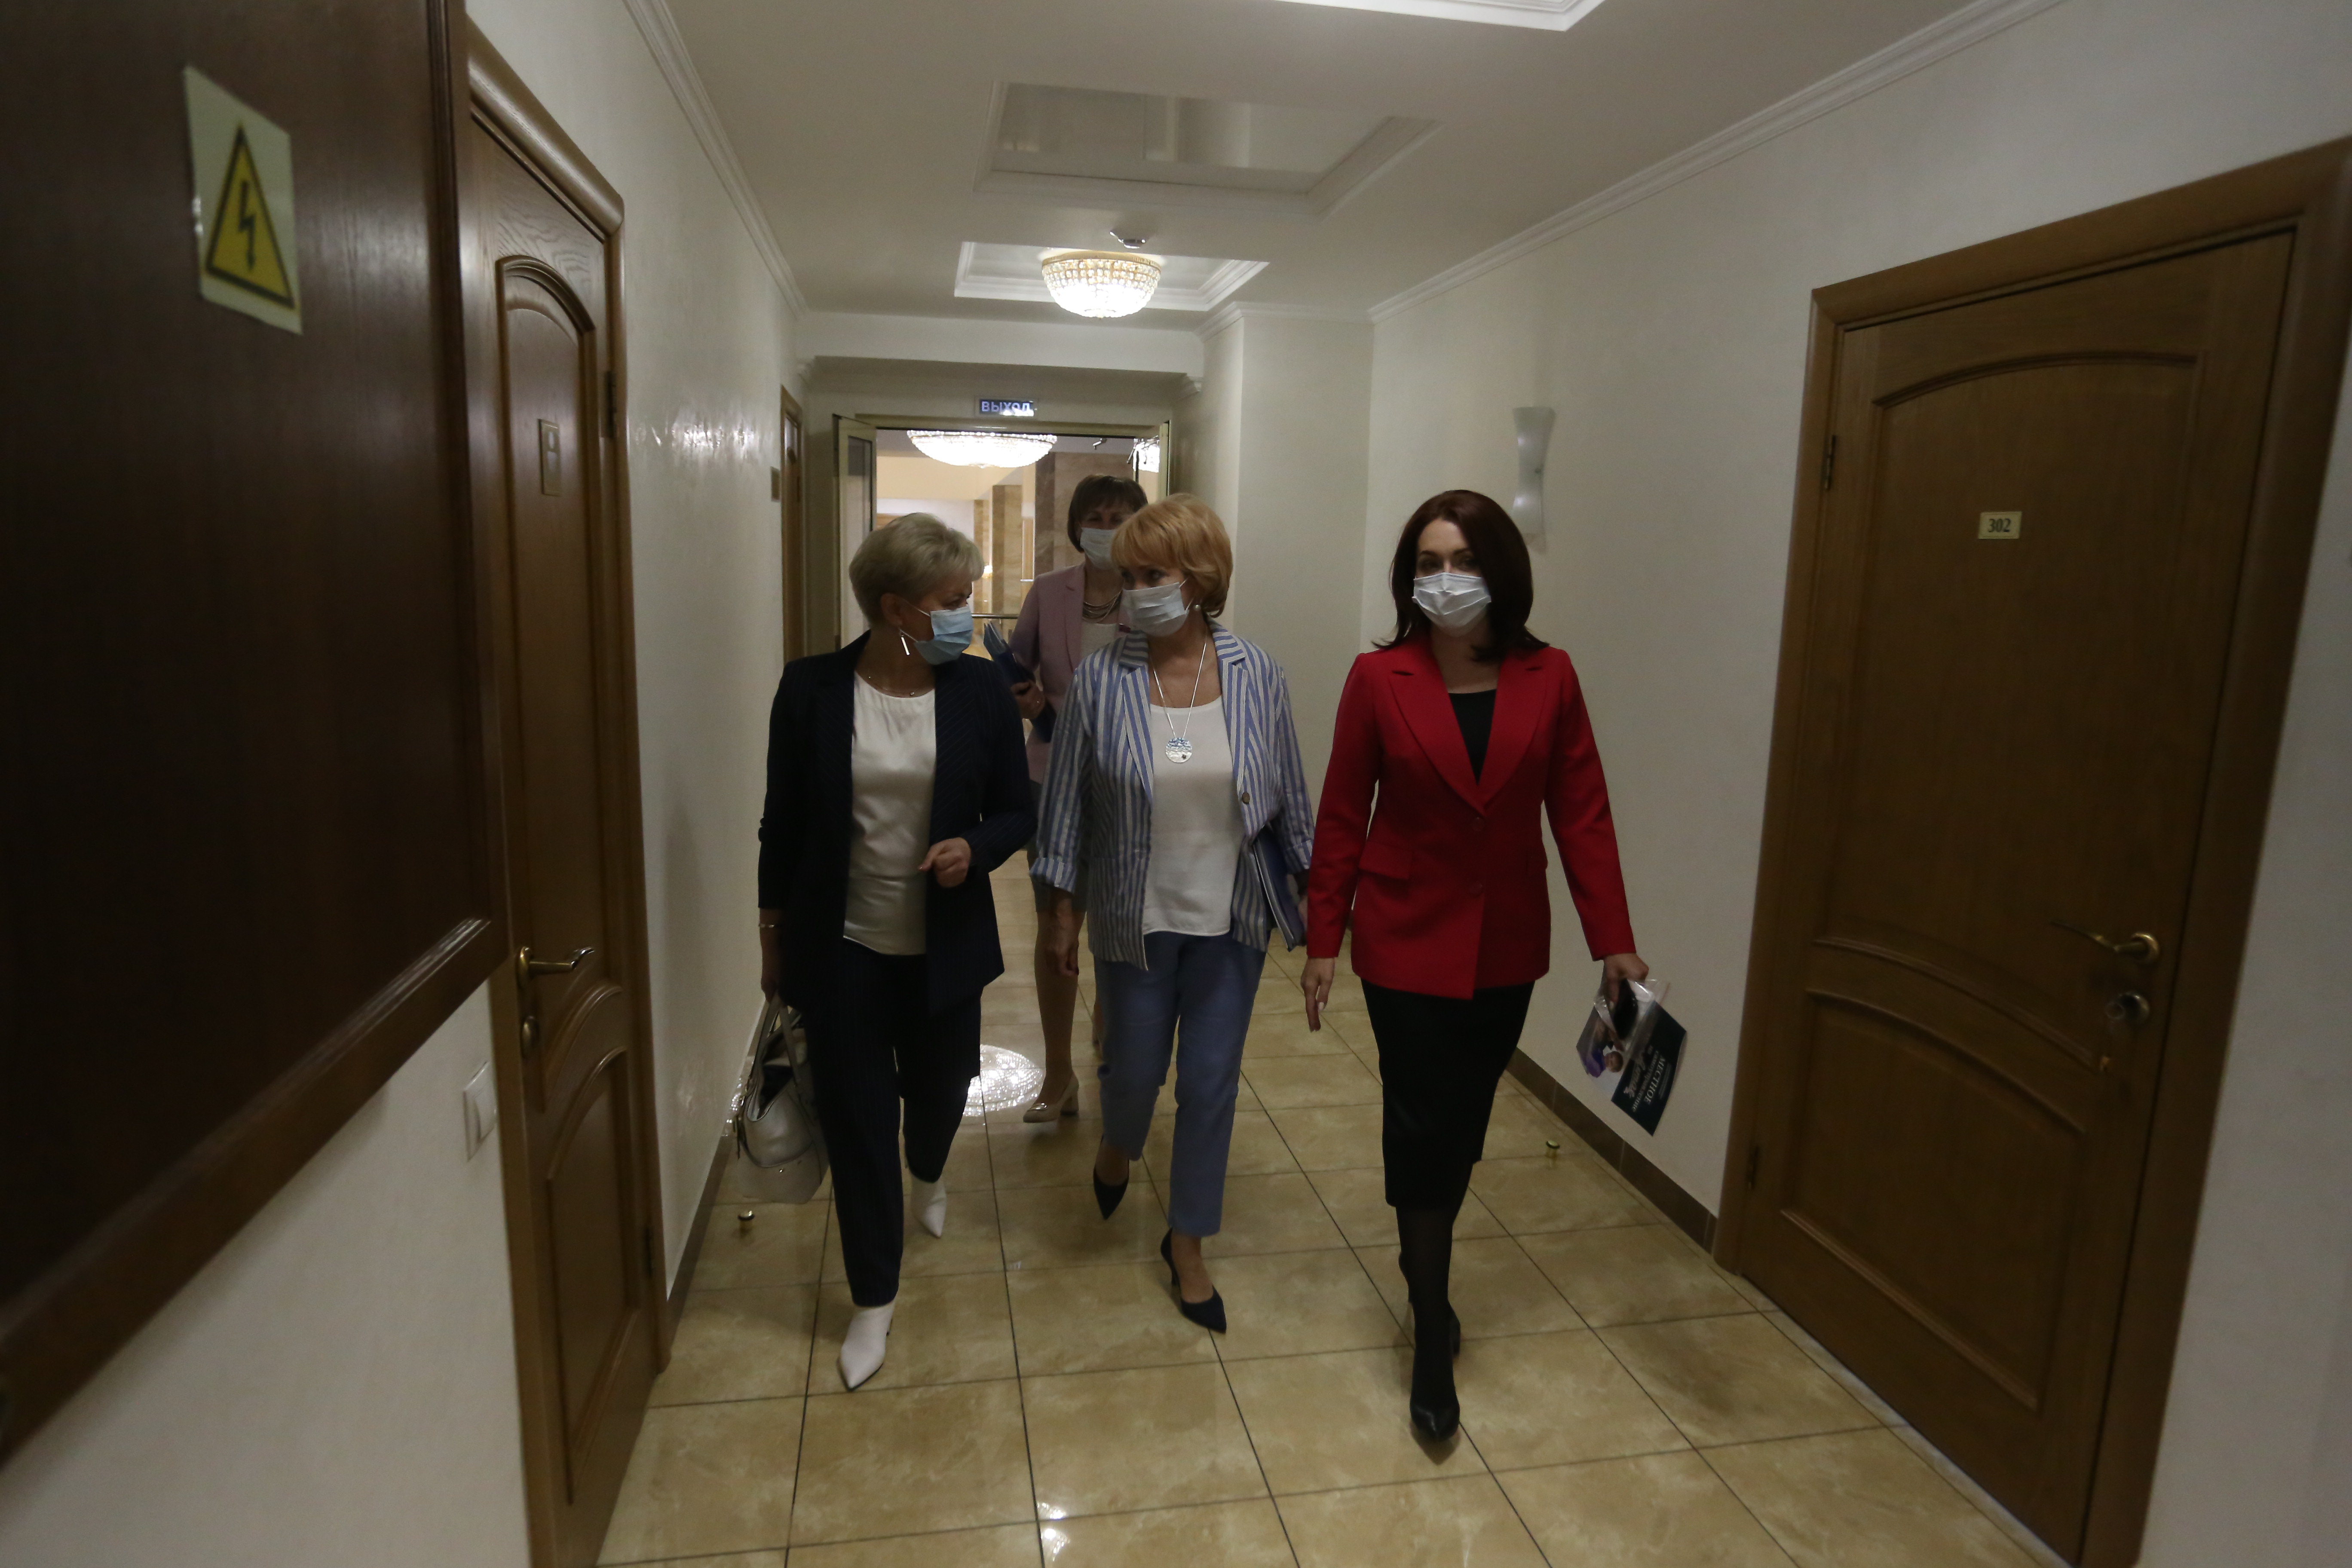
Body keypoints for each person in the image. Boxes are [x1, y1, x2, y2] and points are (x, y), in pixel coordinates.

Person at [1301, 489, 1648, 1440]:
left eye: (1462, 561)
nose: (1445, 579)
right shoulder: (1379, 678)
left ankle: (1425, 1255)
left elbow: (1582, 812)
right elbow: (1343, 815)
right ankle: (1430, 1324)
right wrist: (1325, 939)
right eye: (1428, 563)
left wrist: (1613, 937)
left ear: (1500, 572)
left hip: (1506, 943)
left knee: (1461, 1122)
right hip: (1404, 936)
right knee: (1421, 1122)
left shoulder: (1551, 675)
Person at [757, 514, 1032, 1390]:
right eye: (953, 599)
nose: (967, 613)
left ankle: (931, 1170)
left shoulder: (980, 690)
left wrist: (973, 849)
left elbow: (1016, 811)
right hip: (840, 946)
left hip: (944, 945)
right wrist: (771, 938)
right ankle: (873, 1297)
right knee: (859, 1121)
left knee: (940, 1093)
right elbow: (782, 823)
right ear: (895, 607)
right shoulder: (810, 689)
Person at [1033, 494, 1314, 1332]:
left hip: (1232, 916)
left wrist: (1317, 900)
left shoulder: (1258, 674)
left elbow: (1290, 792)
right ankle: (1119, 1140)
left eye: (1152, 575)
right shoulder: (1102, 681)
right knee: (1134, 1073)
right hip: (1136, 916)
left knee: (1210, 1083)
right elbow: (1067, 804)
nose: (1135, 593)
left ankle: (1187, 1240)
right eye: (1129, 577)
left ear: (1197, 579)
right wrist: (1062, 911)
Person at [1006, 473, 1145, 1120]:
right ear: (1077, 526)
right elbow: (1015, 664)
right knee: (1055, 924)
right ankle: (1058, 1073)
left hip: (1131, 782)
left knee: (1120, 922)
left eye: (1120, 518)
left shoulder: (1155, 594)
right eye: (1097, 517)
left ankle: (1109, 1035)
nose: (1106, 528)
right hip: (1053, 778)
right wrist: (1025, 695)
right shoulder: (1049, 591)